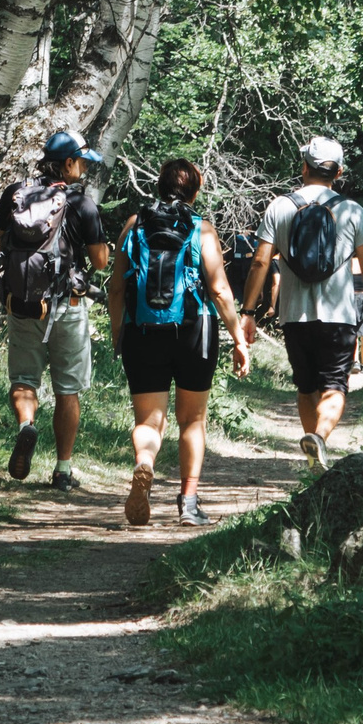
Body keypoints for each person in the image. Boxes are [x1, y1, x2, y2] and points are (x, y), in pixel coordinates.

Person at [107, 159, 251, 527]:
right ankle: (188, 503)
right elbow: (219, 290)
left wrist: (117, 330)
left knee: (149, 420)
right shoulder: (201, 229)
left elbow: (117, 287)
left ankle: (145, 461)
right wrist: (238, 338)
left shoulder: (133, 225)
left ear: (159, 186)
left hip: (142, 330)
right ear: (196, 190)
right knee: (192, 420)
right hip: (194, 332)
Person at [243, 136, 363, 469]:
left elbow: (260, 263)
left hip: (294, 317)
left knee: (306, 387)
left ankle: (312, 461)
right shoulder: (352, 210)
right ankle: (319, 438)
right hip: (339, 317)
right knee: (335, 386)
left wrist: (248, 312)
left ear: (304, 167)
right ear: (339, 172)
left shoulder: (280, 206)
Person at [0, 129, 111, 490]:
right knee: (67, 389)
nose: (84, 171)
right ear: (69, 163)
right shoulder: (82, 204)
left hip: (24, 304)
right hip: (67, 307)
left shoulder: (16, 193)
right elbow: (101, 262)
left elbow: (0, 240)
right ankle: (62, 470)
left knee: (24, 379)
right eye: (81, 164)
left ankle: (27, 425)